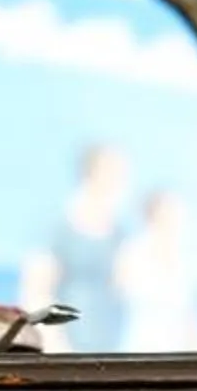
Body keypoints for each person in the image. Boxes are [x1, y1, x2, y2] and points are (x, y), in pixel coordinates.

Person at [18, 143, 130, 353]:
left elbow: (123, 289)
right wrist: (55, 346)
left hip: (108, 348)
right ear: (93, 172)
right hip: (65, 348)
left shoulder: (119, 233)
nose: (122, 182)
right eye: (115, 173)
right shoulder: (57, 226)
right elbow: (35, 291)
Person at [114, 189, 197, 351]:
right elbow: (121, 295)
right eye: (169, 213)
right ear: (153, 215)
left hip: (175, 346)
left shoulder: (178, 258)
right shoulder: (133, 251)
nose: (176, 220)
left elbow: (186, 310)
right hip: (141, 344)